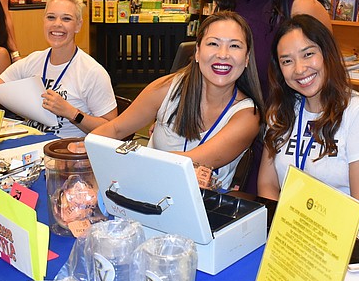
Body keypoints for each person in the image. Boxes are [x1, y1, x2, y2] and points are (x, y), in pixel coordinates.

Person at [93, 12, 262, 190]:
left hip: (202, 210)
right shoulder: (166, 88)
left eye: (234, 46)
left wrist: (124, 166)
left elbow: (185, 161)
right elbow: (115, 128)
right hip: (144, 191)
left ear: (247, 58)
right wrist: (84, 148)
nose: (223, 54)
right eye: (213, 43)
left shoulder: (248, 115)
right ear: (197, 52)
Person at [259, 15, 359, 231]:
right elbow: (267, 184)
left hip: (351, 239)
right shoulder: (281, 113)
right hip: (290, 233)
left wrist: (309, 231)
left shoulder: (358, 112)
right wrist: (285, 225)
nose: (299, 69)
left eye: (308, 54)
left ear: (327, 54)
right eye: (287, 61)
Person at [0, 0, 117, 137]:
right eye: (51, 17)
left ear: (78, 25)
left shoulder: (92, 72)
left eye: (66, 19)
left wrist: (71, 113)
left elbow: (111, 129)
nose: (57, 25)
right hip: (30, 146)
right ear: (44, 21)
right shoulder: (32, 62)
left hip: (67, 154)